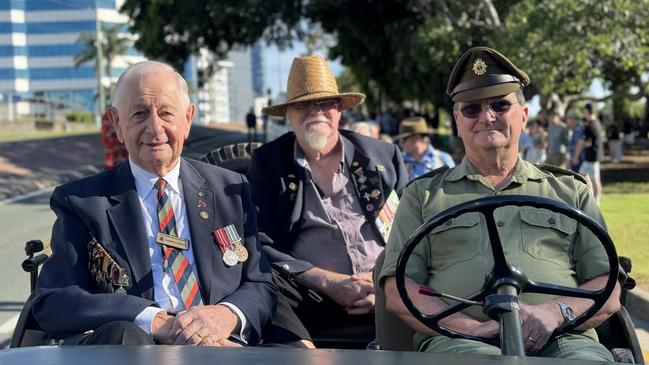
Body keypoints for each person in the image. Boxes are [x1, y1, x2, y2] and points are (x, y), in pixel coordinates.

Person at [379, 47, 620, 361]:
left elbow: (608, 283)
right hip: (458, 342)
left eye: (499, 105)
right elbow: (400, 288)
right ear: (456, 120)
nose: (486, 117)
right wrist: (468, 327)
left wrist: (554, 313)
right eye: (471, 109)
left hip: (565, 339)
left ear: (523, 116)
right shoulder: (423, 195)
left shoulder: (568, 191)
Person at [32, 61, 276, 346]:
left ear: (188, 119)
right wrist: (151, 319)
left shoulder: (230, 190)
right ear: (117, 123)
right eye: (139, 114)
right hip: (137, 349)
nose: (155, 128)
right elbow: (54, 300)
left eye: (166, 113)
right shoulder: (82, 203)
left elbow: (261, 284)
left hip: (225, 346)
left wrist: (226, 316)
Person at [248, 55, 408, 347]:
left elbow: (413, 232)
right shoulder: (270, 162)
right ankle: (301, 351)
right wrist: (326, 281)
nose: (316, 111)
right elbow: (259, 242)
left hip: (387, 290)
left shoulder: (383, 156)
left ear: (339, 108)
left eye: (324, 103)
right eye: (303, 104)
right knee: (263, 280)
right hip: (312, 294)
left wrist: (384, 285)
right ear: (289, 114)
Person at [574, 103, 603, 203]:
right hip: (594, 156)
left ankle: (594, 202)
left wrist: (576, 156)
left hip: (591, 157)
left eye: (585, 112)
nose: (584, 114)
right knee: (592, 179)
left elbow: (584, 142)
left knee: (584, 178)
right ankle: (594, 200)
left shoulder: (590, 125)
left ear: (588, 112)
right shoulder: (597, 122)